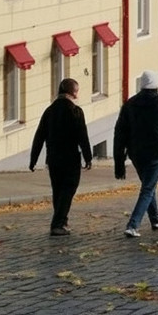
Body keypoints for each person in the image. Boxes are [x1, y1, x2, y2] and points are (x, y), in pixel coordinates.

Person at [113, 70, 158, 237]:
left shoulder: (130, 104)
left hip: (136, 152)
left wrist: (119, 159)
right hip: (156, 151)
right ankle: (133, 225)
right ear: (155, 86)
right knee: (148, 188)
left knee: (148, 185)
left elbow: (120, 131)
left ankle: (155, 220)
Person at [29, 78, 92, 236]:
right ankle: (57, 224)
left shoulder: (49, 111)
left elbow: (39, 136)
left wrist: (33, 159)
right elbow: (82, 136)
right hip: (70, 158)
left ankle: (62, 221)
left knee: (57, 190)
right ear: (74, 93)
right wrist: (88, 157)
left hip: (53, 158)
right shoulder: (75, 111)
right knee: (68, 189)